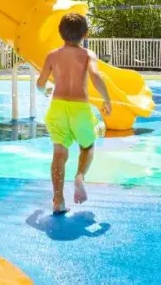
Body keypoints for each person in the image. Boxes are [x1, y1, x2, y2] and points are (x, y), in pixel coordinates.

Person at [36, 13, 112, 214]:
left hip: (58, 107)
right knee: (87, 147)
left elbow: (40, 84)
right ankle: (79, 177)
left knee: (59, 154)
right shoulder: (87, 55)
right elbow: (95, 76)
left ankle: (58, 200)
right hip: (79, 108)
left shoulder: (52, 55)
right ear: (85, 34)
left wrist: (46, 91)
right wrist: (107, 99)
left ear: (60, 33)